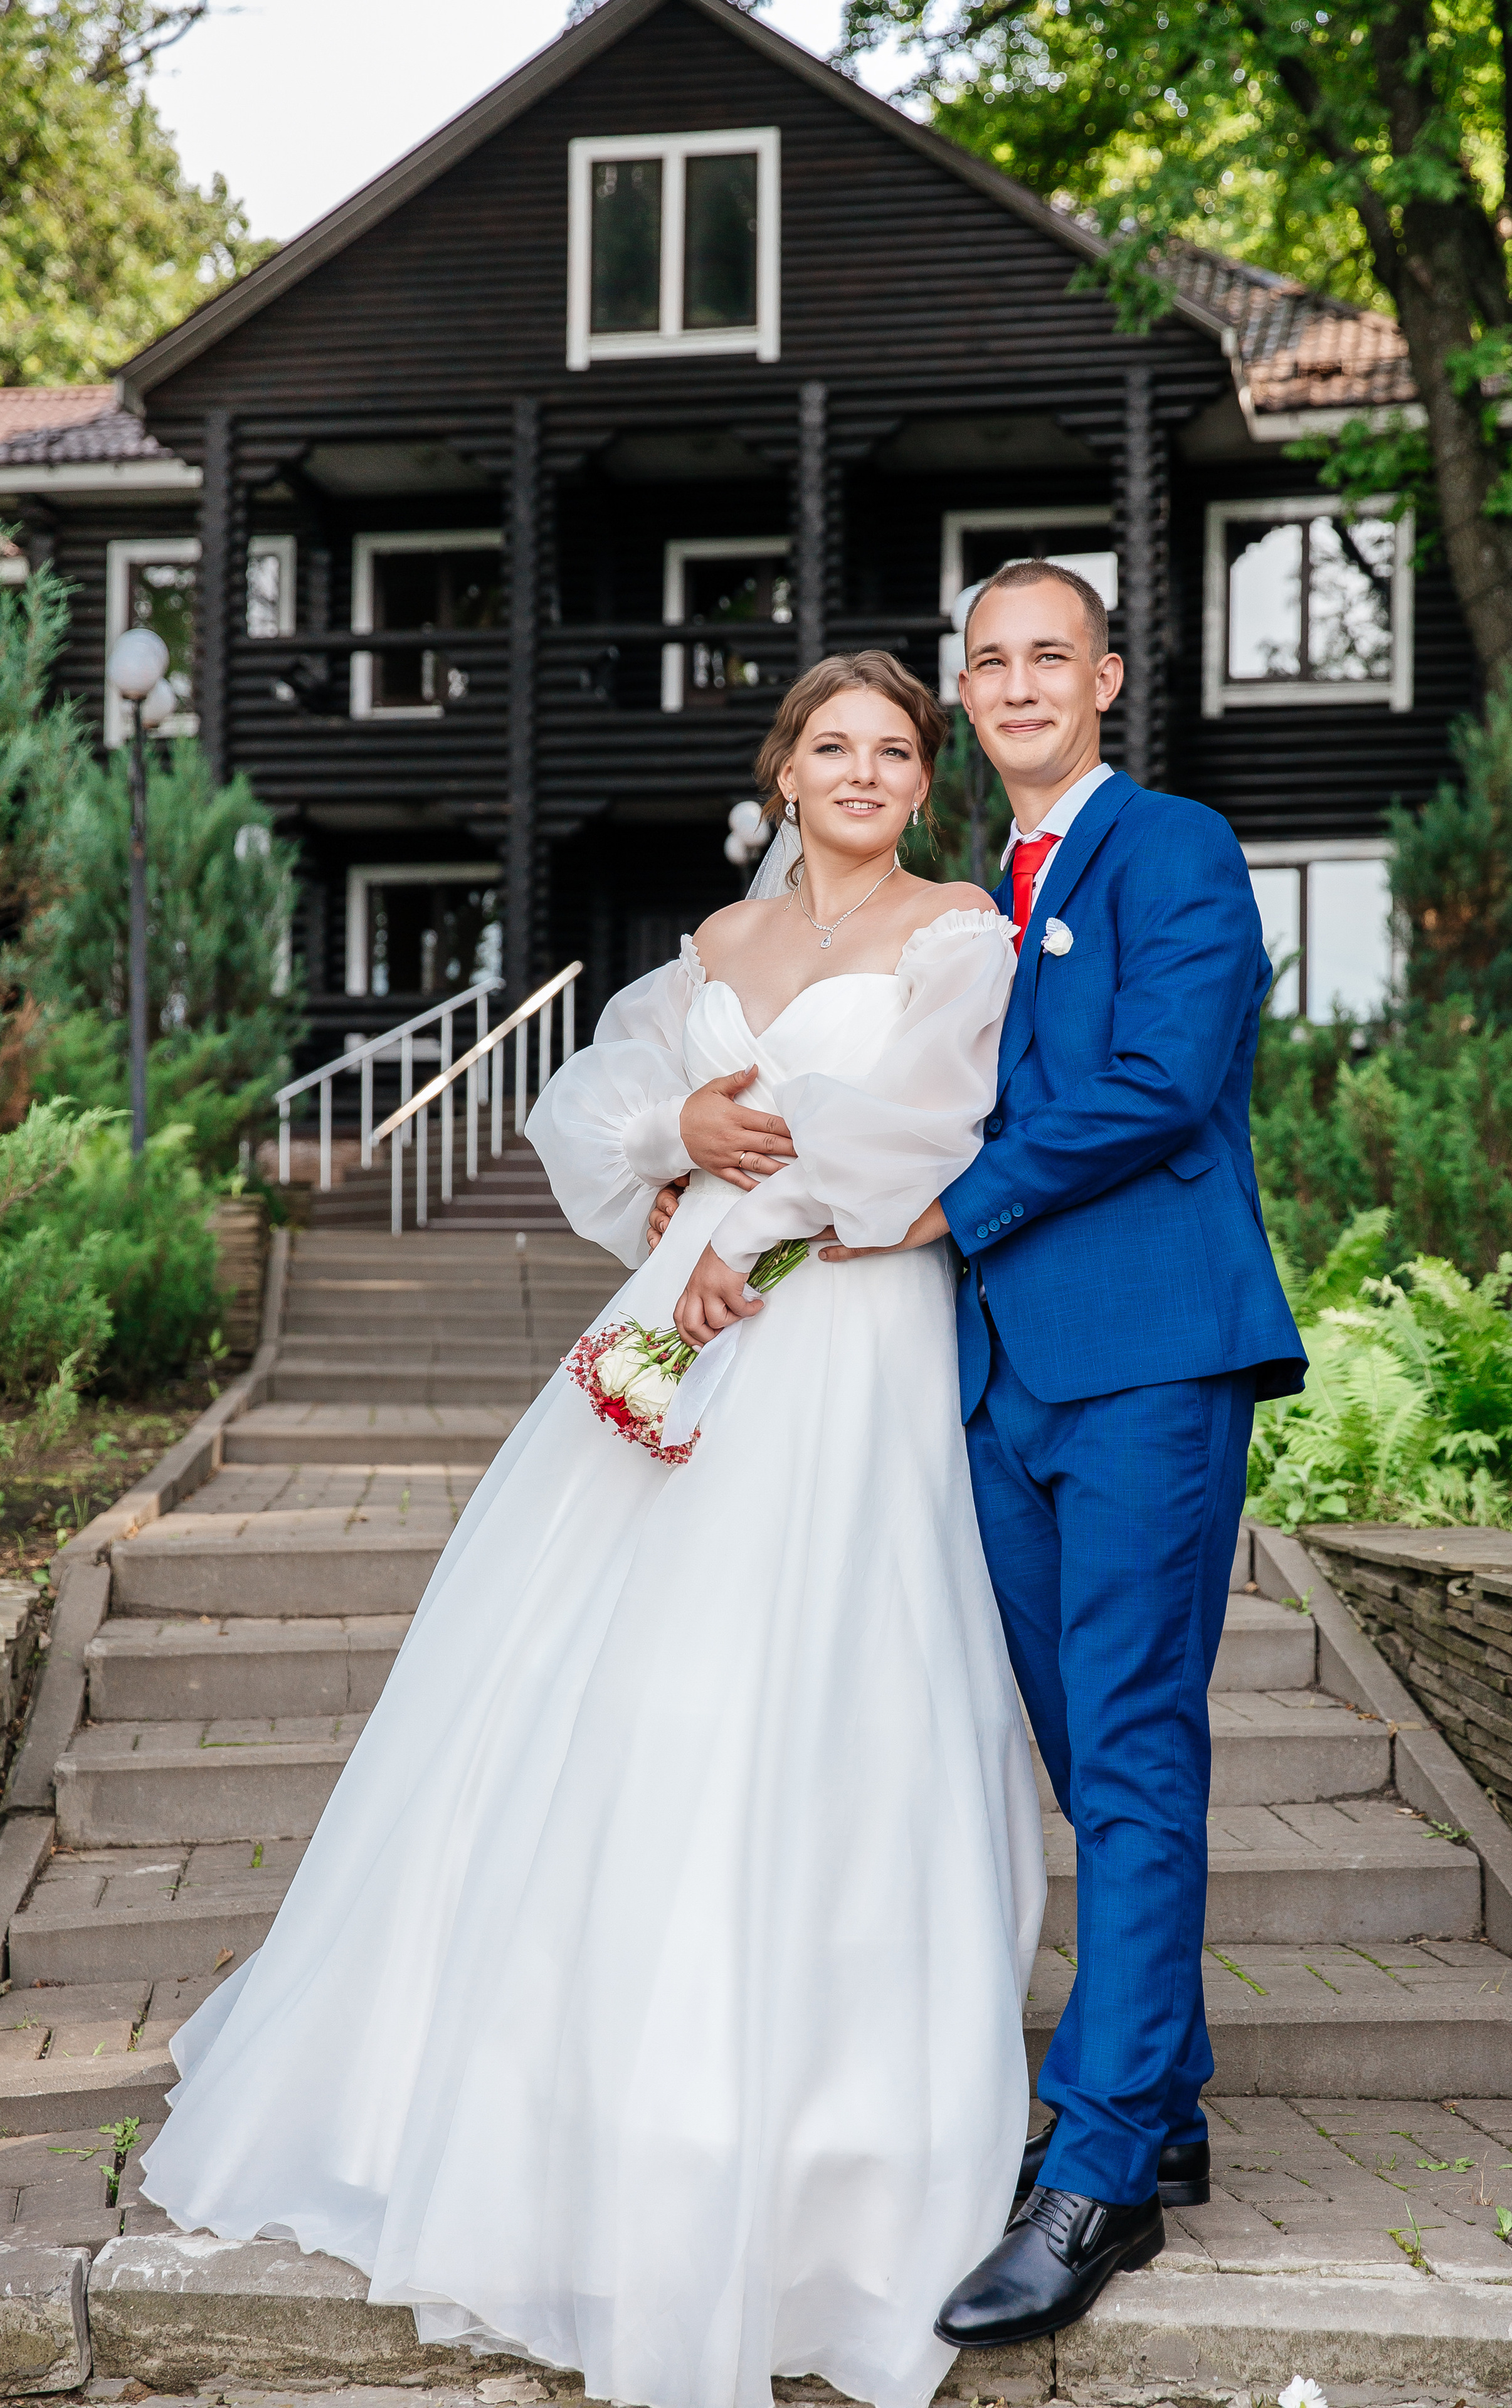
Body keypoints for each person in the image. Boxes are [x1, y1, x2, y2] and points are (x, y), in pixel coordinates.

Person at [138, 649, 1047, 2408]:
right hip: (667, 1332)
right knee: (606, 1697)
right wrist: (677, 1130)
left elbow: (929, 1122)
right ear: (781, 773)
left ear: (921, 784)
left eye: (893, 750)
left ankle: (812, 2154)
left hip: (842, 1343)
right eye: (830, 746)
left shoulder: (960, 939)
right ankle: (556, 2107)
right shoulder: (714, 948)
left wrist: (761, 1224)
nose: (862, 772)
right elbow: (591, 1103)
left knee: (813, 1690)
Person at [817, 561, 1306, 2345]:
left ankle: (1094, 2173)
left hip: (1152, 1362)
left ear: (1105, 679)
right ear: (969, 699)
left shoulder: (1169, 848)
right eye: (992, 661)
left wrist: (961, 1199)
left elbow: (1167, 1080)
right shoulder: (964, 903)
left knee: (1131, 1744)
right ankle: (1160, 2114)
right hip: (997, 1383)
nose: (1022, 683)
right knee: (1078, 1752)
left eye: (1052, 655)